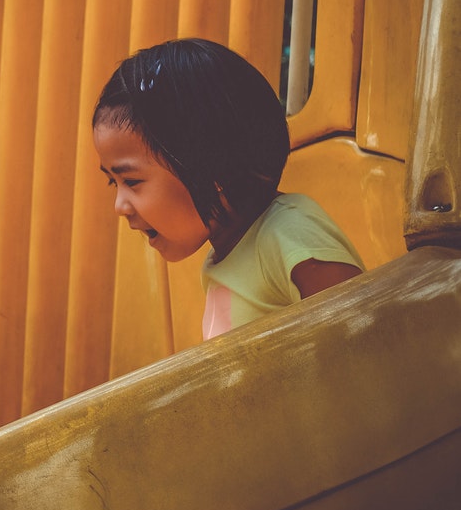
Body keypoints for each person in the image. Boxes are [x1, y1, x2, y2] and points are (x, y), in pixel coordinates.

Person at [92, 38, 364, 339]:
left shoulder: (288, 235)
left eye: (131, 181)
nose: (120, 206)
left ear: (213, 167)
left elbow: (363, 342)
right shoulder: (223, 259)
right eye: (112, 182)